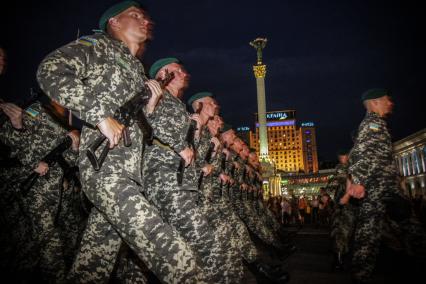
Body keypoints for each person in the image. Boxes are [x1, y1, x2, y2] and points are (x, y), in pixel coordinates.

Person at [37, 2, 204, 283]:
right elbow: (50, 69)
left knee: (93, 265)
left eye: (144, 15)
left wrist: (149, 107)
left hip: (130, 173)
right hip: (107, 171)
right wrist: (99, 115)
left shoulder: (137, 69)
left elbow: (142, 126)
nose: (143, 20)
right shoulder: (99, 45)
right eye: (134, 15)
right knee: (168, 249)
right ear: (114, 22)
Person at [143, 58, 227, 283]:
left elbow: (193, 154)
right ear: (163, 74)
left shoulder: (177, 105)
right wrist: (183, 144)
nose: (183, 73)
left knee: (174, 244)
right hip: (164, 178)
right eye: (176, 70)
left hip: (183, 181)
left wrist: (198, 137)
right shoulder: (156, 94)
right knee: (203, 240)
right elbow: (146, 125)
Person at [347, 88, 426, 283]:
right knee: (368, 238)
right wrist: (358, 182)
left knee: (408, 230)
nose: (390, 103)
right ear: (374, 102)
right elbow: (360, 153)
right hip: (377, 189)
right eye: (385, 99)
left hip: (388, 189)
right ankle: (361, 275)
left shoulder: (379, 123)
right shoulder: (372, 123)